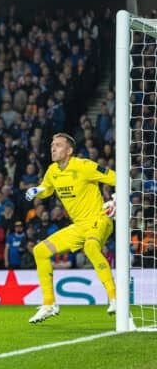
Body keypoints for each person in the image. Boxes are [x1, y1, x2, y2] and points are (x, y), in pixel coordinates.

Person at [26, 133, 116, 324]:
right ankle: (49, 303)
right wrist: (37, 190)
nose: (53, 148)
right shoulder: (52, 170)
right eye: (52, 144)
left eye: (58, 145)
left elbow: (116, 178)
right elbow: (47, 188)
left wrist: (116, 200)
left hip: (99, 219)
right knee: (40, 251)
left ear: (69, 151)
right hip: (79, 226)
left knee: (91, 248)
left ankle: (115, 297)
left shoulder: (84, 166)